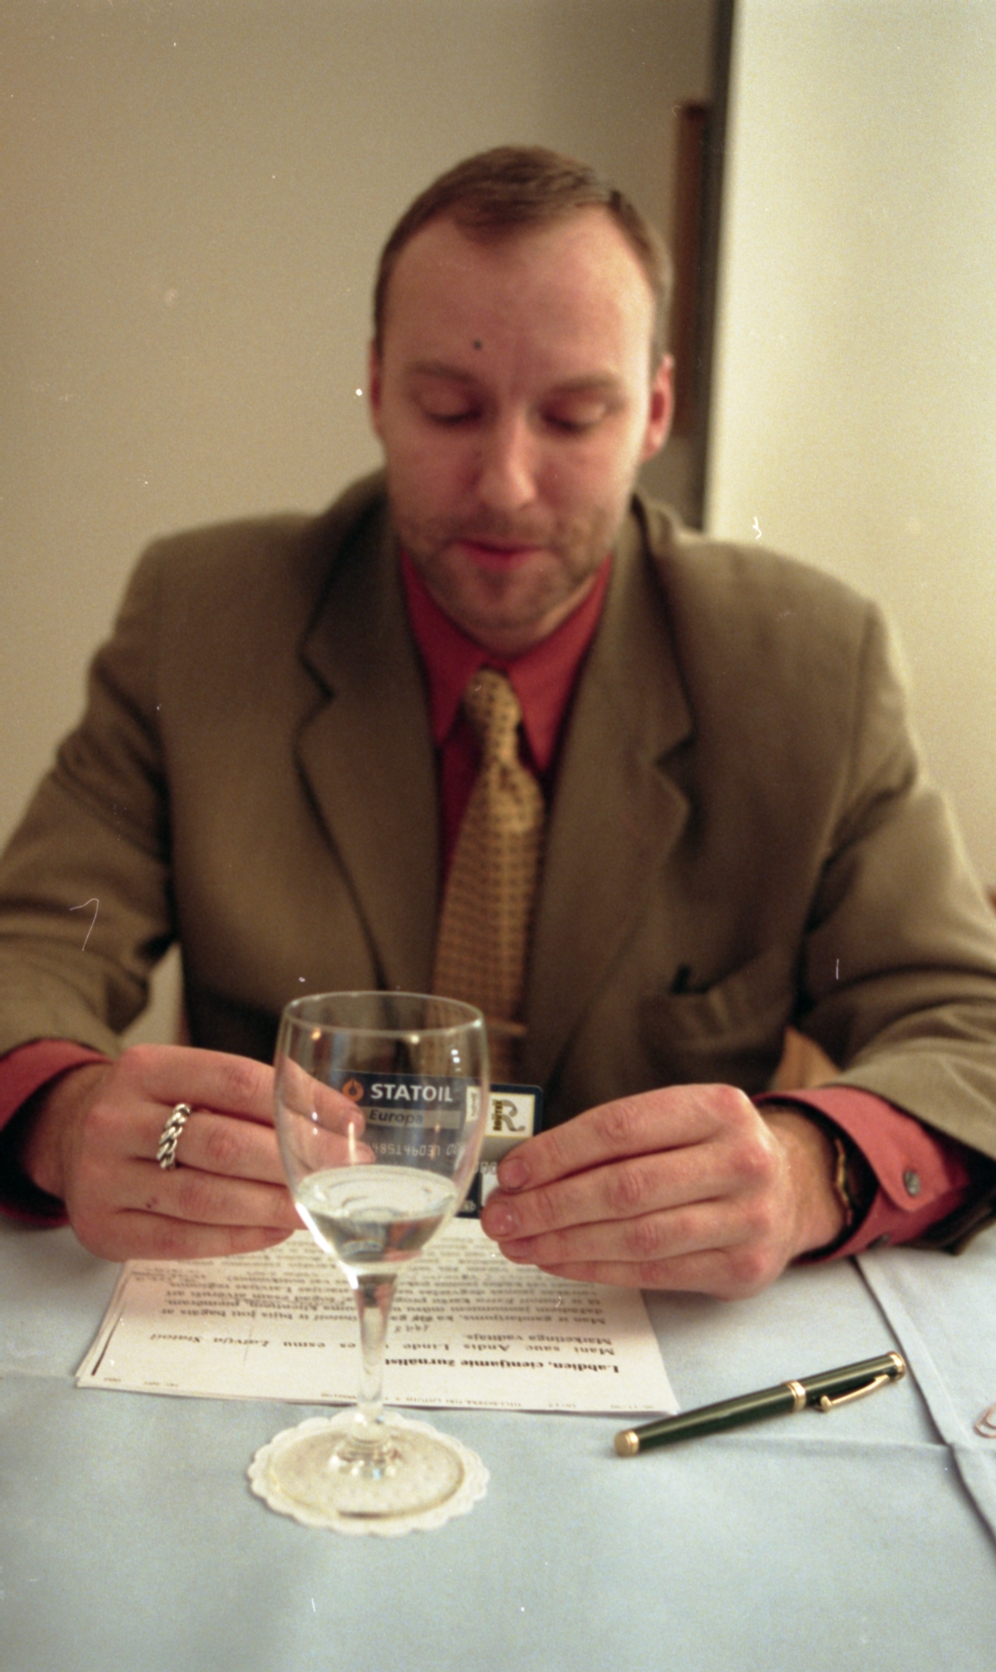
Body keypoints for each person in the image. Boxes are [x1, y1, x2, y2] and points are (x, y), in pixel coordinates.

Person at [2, 146, 995, 1296]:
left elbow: (966, 1027)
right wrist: (64, 1117)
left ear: (655, 409)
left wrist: (810, 1171)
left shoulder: (812, 667)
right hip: (285, 1298)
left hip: (650, 1320)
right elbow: (31, 952)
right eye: (450, 408)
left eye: (573, 416)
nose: (508, 483)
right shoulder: (200, 621)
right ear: (378, 387)